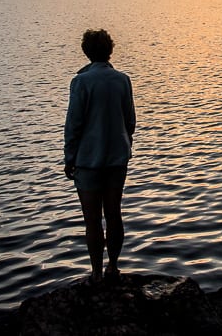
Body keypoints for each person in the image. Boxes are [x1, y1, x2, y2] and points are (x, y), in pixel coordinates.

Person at [64, 29, 136, 283]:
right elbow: (130, 120)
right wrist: (125, 146)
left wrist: (69, 157)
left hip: (88, 161)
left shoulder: (81, 82)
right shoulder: (122, 80)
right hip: (117, 159)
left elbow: (74, 124)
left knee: (92, 219)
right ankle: (113, 267)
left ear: (86, 52)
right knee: (114, 214)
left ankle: (96, 273)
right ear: (110, 50)